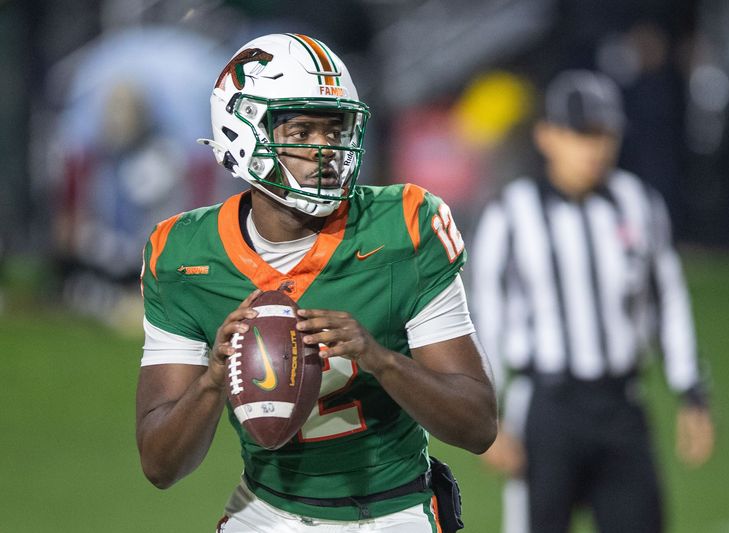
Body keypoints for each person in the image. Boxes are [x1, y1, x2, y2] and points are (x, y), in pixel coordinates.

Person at [135, 33, 497, 532]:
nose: (326, 149)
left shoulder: (402, 228)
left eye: (335, 129)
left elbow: (478, 424)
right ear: (242, 133)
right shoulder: (183, 256)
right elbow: (159, 465)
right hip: (265, 511)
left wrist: (380, 359)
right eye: (302, 132)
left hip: (392, 513)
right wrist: (213, 379)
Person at [471, 70, 714, 533]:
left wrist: (692, 392)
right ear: (547, 136)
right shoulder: (512, 213)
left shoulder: (639, 203)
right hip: (547, 407)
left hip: (622, 405)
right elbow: (487, 316)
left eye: (605, 134)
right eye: (582, 134)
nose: (595, 148)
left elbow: (668, 300)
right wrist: (489, 413)